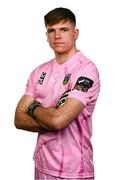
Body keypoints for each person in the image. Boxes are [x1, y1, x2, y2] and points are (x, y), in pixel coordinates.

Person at [14, 7, 100, 180]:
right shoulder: (39, 72)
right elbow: (18, 119)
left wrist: (33, 107)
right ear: (46, 36)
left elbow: (58, 120)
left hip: (74, 171)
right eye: (51, 30)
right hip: (42, 165)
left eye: (64, 29)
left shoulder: (86, 70)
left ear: (75, 33)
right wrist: (51, 118)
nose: (57, 35)